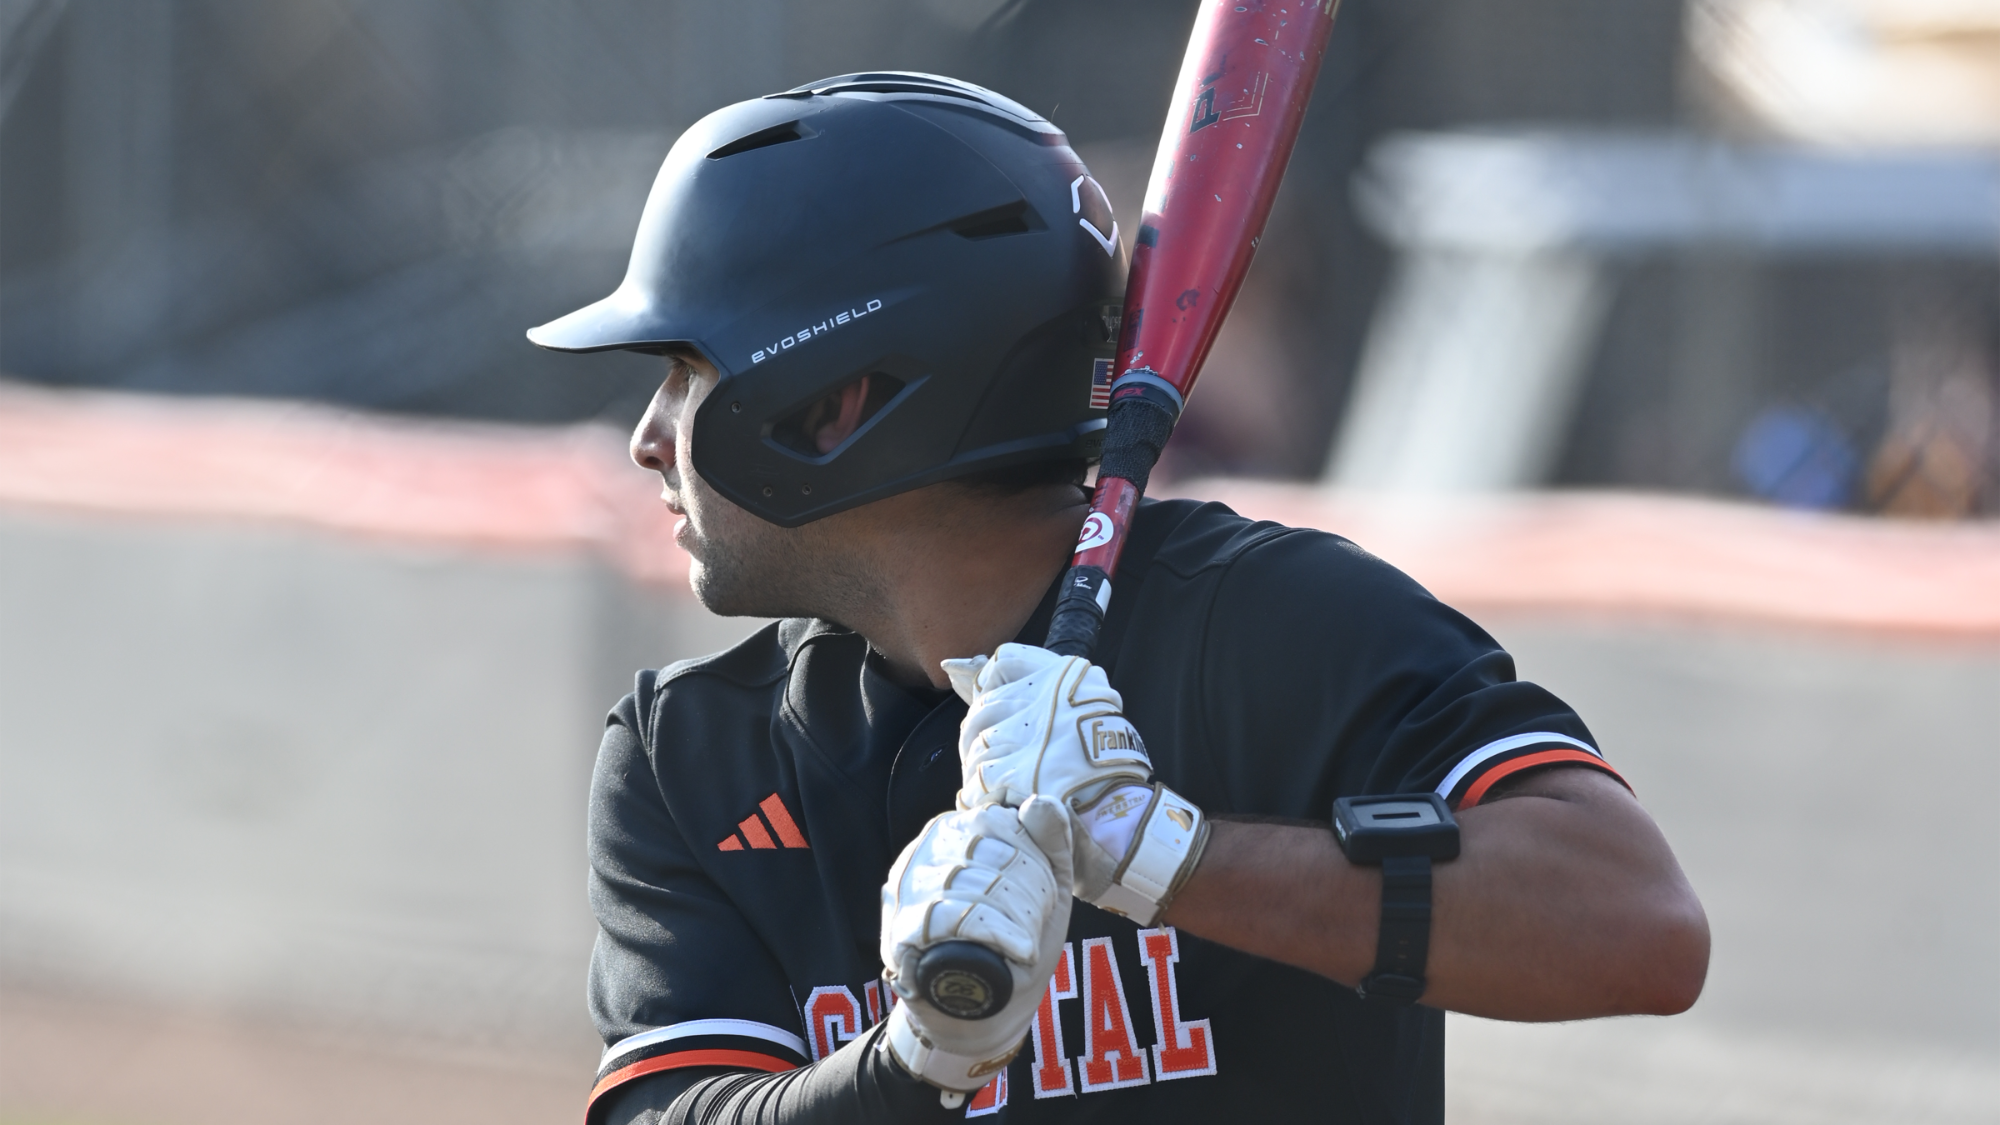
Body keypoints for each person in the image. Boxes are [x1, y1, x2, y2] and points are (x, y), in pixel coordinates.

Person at [529, 73, 1709, 1125]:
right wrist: (915, 1062)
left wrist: (1162, 855)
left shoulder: (1270, 625)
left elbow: (1636, 929)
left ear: (831, 401)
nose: (648, 438)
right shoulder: (690, 758)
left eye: (685, 372)